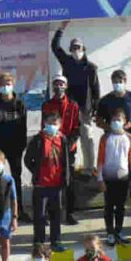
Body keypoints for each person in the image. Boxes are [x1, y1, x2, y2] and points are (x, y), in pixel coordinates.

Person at [51, 22, 101, 176]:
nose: (75, 50)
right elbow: (55, 47)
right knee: (68, 140)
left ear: (83, 49)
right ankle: (68, 169)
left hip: (85, 110)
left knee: (87, 140)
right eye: (73, 48)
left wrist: (95, 109)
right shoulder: (67, 62)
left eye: (78, 48)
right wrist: (61, 29)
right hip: (69, 110)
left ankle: (89, 169)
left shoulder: (91, 67)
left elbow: (96, 90)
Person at [96, 69, 131, 214]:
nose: (118, 84)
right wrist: (109, 127)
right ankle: (112, 204)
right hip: (111, 140)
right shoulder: (105, 100)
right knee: (112, 171)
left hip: (129, 139)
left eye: (120, 81)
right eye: (115, 82)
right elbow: (98, 120)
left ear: (125, 82)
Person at [0, 72, 30, 222]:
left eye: (8, 84)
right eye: (3, 84)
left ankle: (19, 211)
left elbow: (23, 128)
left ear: (13, 84)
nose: (6, 87)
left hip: (15, 148)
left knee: (15, 179)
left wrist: (21, 146)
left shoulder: (20, 104)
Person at [25, 112, 71, 252]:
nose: (52, 126)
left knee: (56, 214)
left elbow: (66, 161)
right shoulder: (37, 140)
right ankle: (39, 242)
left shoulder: (62, 139)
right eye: (49, 123)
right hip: (41, 184)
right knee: (39, 215)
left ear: (60, 125)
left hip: (57, 184)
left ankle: (55, 240)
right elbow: (28, 160)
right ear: (44, 123)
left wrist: (66, 178)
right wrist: (37, 173)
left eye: (55, 124)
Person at [43, 73, 81, 224]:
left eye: (61, 84)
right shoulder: (46, 105)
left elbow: (77, 128)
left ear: (66, 86)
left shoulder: (73, 105)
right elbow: (44, 127)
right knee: (49, 179)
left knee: (68, 181)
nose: (59, 87)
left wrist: (69, 143)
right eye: (56, 84)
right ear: (53, 87)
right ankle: (48, 213)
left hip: (68, 147)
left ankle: (70, 213)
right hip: (51, 146)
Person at [98, 107, 131, 246]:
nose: (116, 122)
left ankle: (119, 230)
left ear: (125, 121)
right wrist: (100, 179)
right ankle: (110, 232)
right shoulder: (105, 138)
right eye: (114, 120)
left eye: (119, 120)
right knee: (109, 206)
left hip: (123, 177)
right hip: (108, 178)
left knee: (120, 206)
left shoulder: (130, 138)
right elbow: (100, 160)